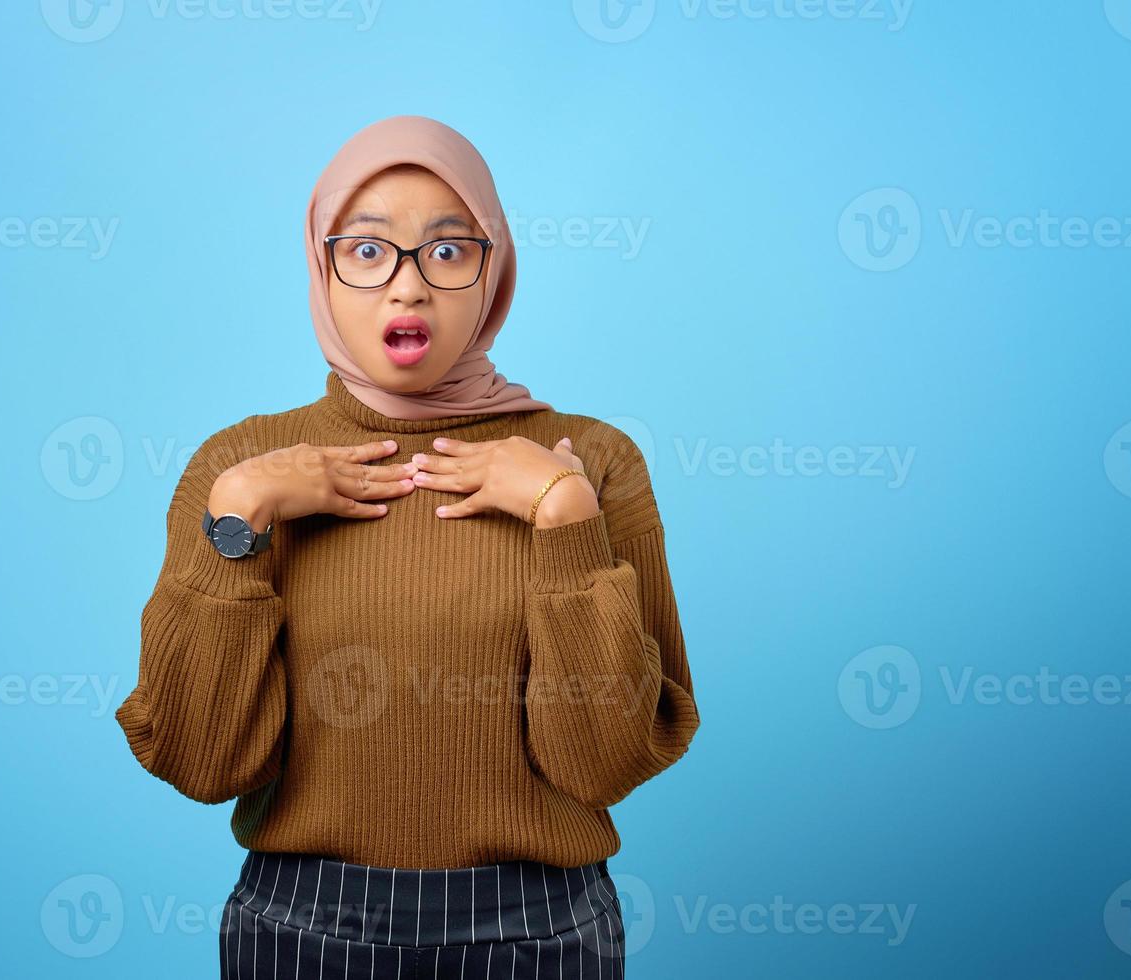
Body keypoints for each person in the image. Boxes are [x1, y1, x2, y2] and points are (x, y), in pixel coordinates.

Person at [114, 114, 700, 978]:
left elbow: (605, 763)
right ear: (322, 267)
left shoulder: (593, 460)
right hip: (302, 929)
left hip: (536, 931)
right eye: (367, 250)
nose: (407, 288)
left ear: (492, 270)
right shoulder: (239, 467)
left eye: (447, 251)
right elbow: (201, 762)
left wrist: (567, 521)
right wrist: (235, 520)